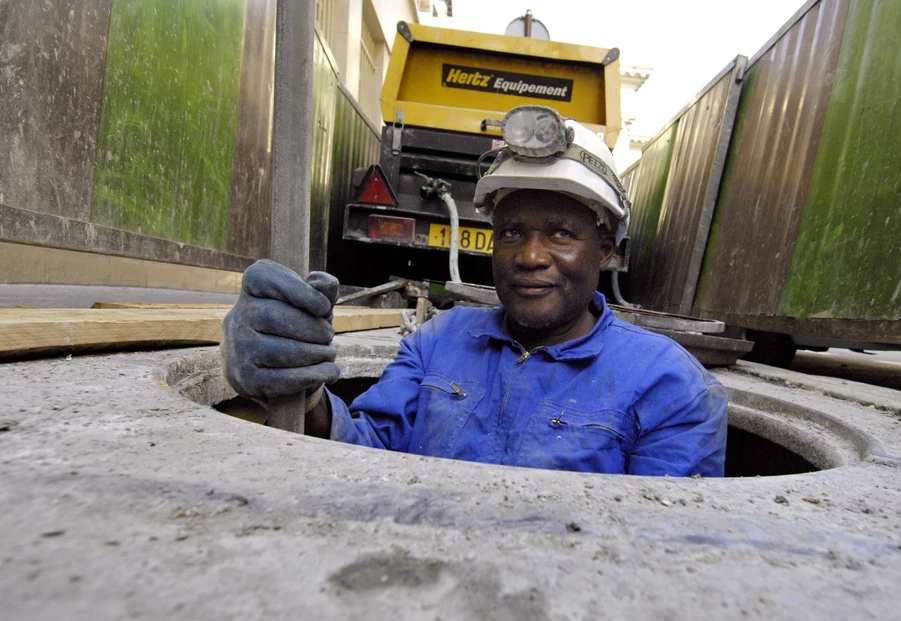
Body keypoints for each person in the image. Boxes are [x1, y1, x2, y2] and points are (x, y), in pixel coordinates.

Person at [222, 106, 728, 476]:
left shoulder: (671, 387)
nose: (530, 255)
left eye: (560, 233)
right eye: (511, 232)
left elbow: (664, 542)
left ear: (606, 250)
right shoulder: (437, 341)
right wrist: (301, 390)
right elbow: (362, 451)